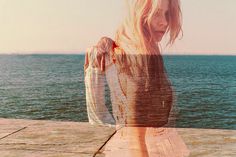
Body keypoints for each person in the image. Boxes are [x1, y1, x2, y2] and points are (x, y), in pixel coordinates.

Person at [84, 0, 190, 156]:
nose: (165, 22)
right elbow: (136, 139)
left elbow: (101, 116)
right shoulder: (139, 62)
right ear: (139, 14)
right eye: (157, 14)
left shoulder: (146, 53)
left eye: (167, 14)